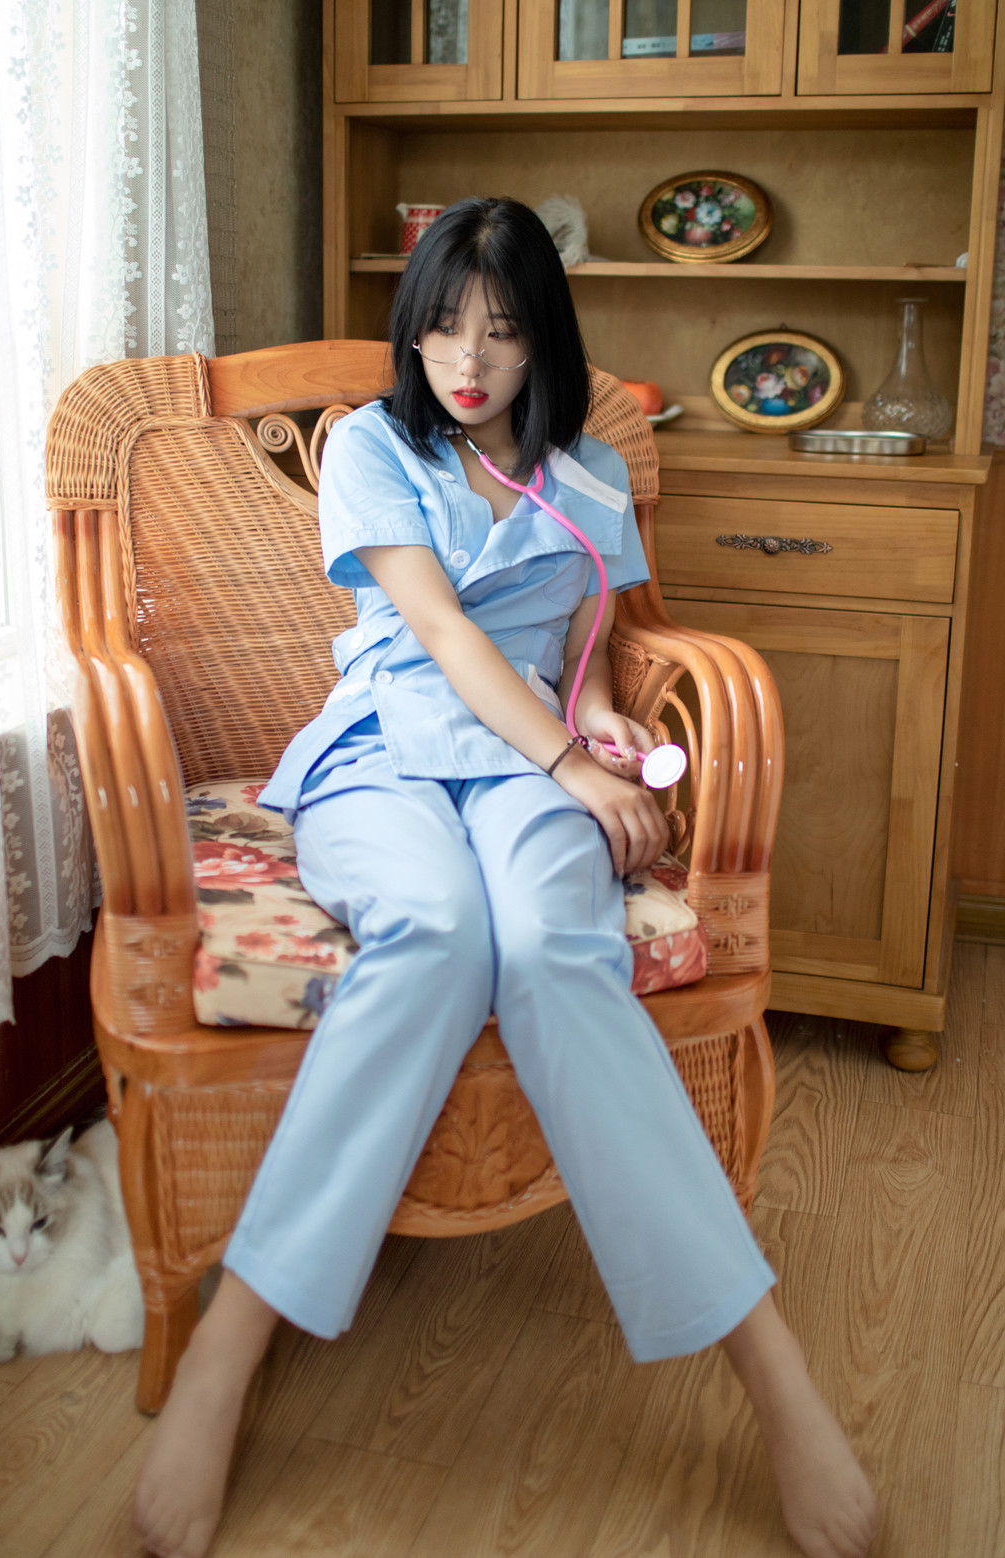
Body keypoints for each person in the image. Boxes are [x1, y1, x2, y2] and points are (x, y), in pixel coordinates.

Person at [133, 197, 876, 1558]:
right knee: (432, 933)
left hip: (534, 764)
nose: (466, 359)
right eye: (441, 325)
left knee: (547, 949)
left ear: (545, 340)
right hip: (387, 749)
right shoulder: (374, 447)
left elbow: (581, 653)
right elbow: (439, 634)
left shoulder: (589, 473)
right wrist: (572, 762)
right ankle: (229, 1351)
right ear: (411, 330)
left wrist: (602, 728)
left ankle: (771, 1373)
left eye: (502, 328)